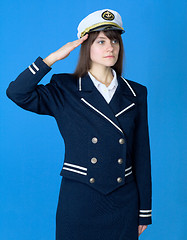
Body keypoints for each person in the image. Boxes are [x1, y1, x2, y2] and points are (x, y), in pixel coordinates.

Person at [6, 9, 152, 240]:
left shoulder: (136, 93)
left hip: (123, 200)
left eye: (114, 40)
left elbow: (142, 154)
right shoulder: (65, 88)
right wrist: (51, 59)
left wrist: (144, 212)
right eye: (101, 41)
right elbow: (17, 93)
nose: (110, 47)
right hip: (80, 199)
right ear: (86, 46)